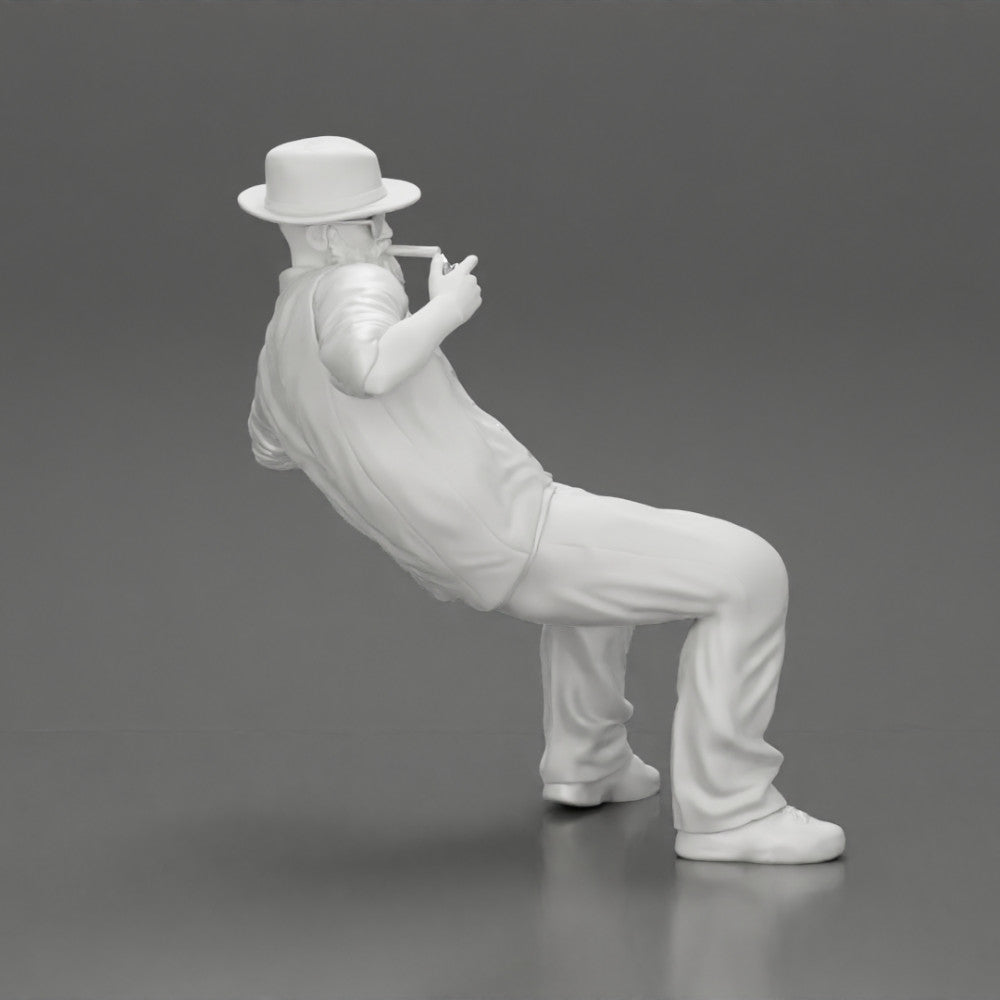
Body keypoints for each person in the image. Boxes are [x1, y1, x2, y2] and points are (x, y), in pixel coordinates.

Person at [238, 136, 845, 863]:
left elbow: (270, 443)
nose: (388, 235)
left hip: (470, 542)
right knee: (749, 571)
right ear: (329, 236)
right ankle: (731, 811)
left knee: (596, 592)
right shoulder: (356, 282)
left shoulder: (280, 337)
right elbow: (364, 369)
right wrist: (447, 310)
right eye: (373, 222)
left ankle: (588, 763)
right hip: (507, 522)